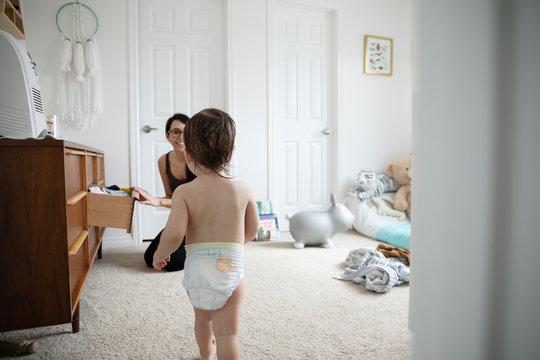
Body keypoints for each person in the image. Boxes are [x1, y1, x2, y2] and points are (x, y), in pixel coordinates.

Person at [153, 108, 260, 360]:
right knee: (228, 334)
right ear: (231, 152)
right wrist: (237, 244)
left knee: (202, 319)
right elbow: (254, 228)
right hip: (230, 269)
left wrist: (160, 252)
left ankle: (206, 356)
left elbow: (174, 234)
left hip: (198, 273)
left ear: (188, 154)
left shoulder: (184, 193)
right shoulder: (242, 189)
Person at [131, 113, 195, 271]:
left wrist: (157, 201)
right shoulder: (163, 161)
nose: (181, 136)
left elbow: (199, 201)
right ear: (168, 136)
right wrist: (151, 199)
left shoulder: (198, 159)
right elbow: (170, 198)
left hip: (200, 222)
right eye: (176, 132)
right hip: (181, 221)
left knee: (173, 264)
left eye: (185, 131)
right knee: (149, 258)